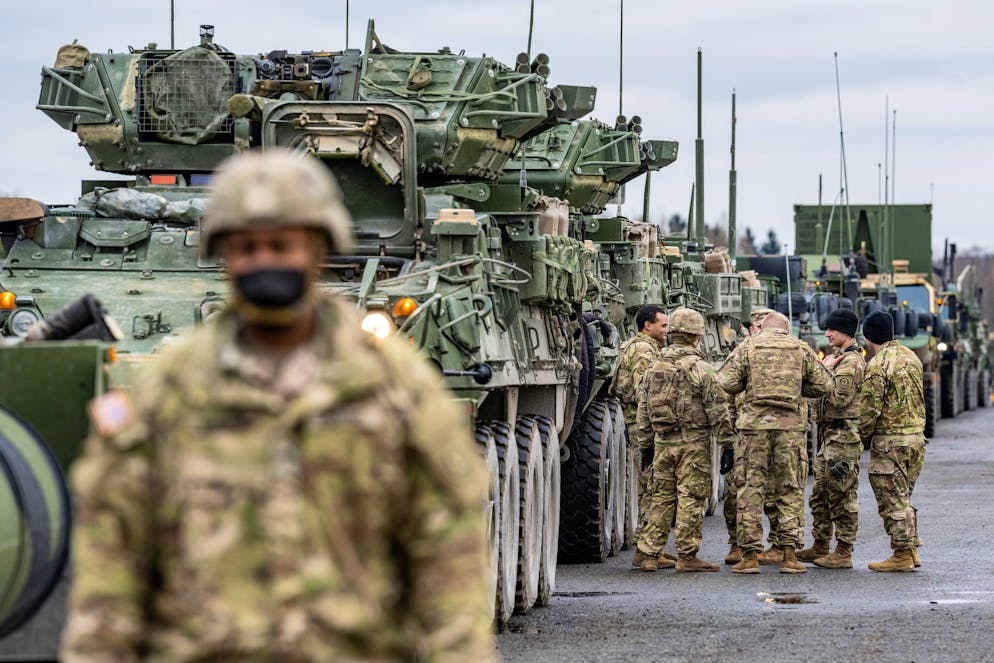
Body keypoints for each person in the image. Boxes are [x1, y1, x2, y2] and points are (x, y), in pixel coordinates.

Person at [61, 149, 496, 662]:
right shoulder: (171, 389)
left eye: (281, 244)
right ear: (223, 254)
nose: (264, 260)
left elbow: (446, 560)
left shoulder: (391, 387)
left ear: (317, 248)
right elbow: (114, 561)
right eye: (247, 247)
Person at [715, 311, 833, 574]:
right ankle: (789, 557)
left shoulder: (748, 347)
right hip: (790, 429)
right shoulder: (800, 348)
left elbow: (725, 382)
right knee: (789, 489)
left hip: (753, 428)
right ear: (786, 329)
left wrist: (748, 387)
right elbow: (824, 384)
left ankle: (750, 557)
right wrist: (798, 389)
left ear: (763, 328)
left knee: (750, 489)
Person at [634, 308, 736, 572]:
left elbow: (643, 409)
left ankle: (648, 554)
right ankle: (687, 556)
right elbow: (718, 409)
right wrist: (727, 445)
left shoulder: (655, 365)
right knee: (691, 497)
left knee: (661, 497)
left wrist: (645, 444)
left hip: (662, 443)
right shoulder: (702, 368)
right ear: (696, 336)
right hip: (693, 444)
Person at [796, 309, 866, 569]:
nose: (826, 334)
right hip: (831, 435)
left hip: (843, 436)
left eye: (832, 330)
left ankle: (844, 551)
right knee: (820, 495)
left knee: (842, 496)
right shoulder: (838, 358)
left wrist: (822, 372)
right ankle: (821, 545)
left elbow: (838, 398)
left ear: (845, 331)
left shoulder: (851, 363)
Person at [858, 310, 926, 572]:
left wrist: (857, 436)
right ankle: (911, 548)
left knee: (892, 499)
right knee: (903, 496)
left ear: (868, 337)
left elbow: (870, 410)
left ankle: (901, 554)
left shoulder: (877, 365)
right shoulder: (911, 358)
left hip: (891, 442)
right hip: (916, 439)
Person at [611, 305, 673, 568]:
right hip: (642, 424)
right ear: (648, 325)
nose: (666, 330)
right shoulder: (642, 350)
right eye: (663, 325)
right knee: (652, 484)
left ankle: (651, 547)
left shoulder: (643, 346)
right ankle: (647, 550)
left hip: (640, 422)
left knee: (652, 483)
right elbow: (644, 390)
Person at [722, 307, 772, 565]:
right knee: (737, 492)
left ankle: (774, 544)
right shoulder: (741, 354)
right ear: (752, 329)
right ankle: (737, 543)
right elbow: (726, 392)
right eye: (759, 327)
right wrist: (729, 436)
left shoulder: (784, 352)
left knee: (775, 492)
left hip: (774, 434)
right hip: (744, 433)